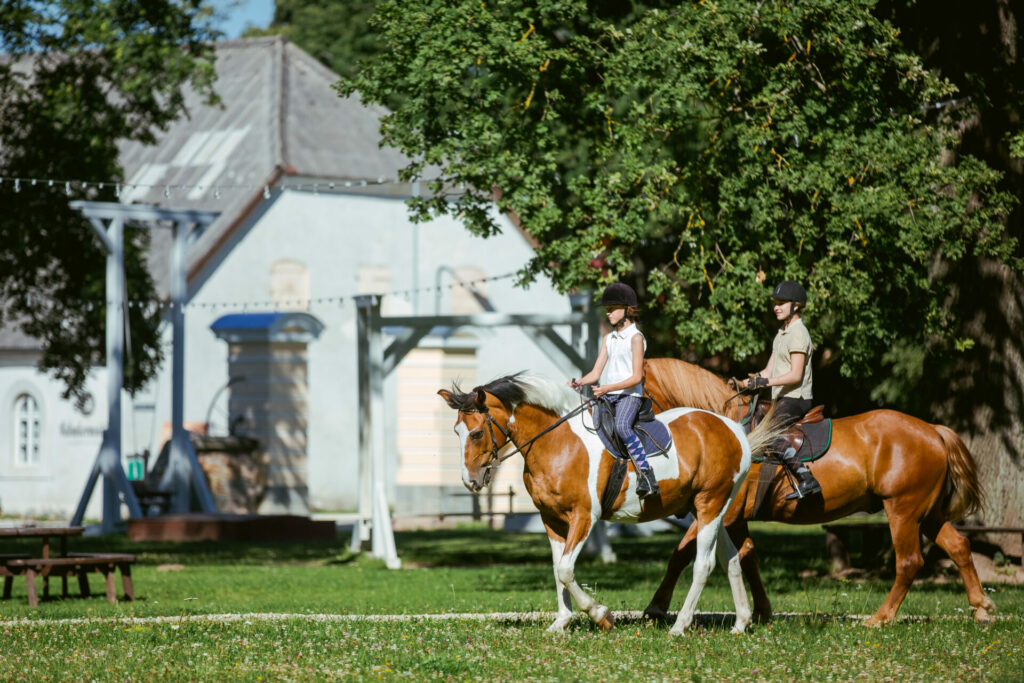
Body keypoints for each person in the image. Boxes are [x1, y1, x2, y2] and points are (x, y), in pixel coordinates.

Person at [569, 282, 660, 498]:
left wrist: (608, 387)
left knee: (622, 426)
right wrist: (578, 383)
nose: (608, 313)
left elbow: (637, 377)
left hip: (630, 397)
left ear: (627, 309)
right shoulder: (608, 339)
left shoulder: (636, 338)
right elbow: (595, 372)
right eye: (607, 309)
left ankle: (646, 474)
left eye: (612, 309)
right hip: (607, 395)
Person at [746, 280, 823, 500]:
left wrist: (765, 384)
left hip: (795, 398)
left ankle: (807, 479)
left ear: (796, 305)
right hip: (781, 397)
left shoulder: (799, 334)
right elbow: (768, 371)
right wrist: (744, 383)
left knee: (767, 435)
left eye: (782, 303)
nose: (776, 307)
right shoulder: (781, 333)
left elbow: (795, 375)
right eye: (775, 303)